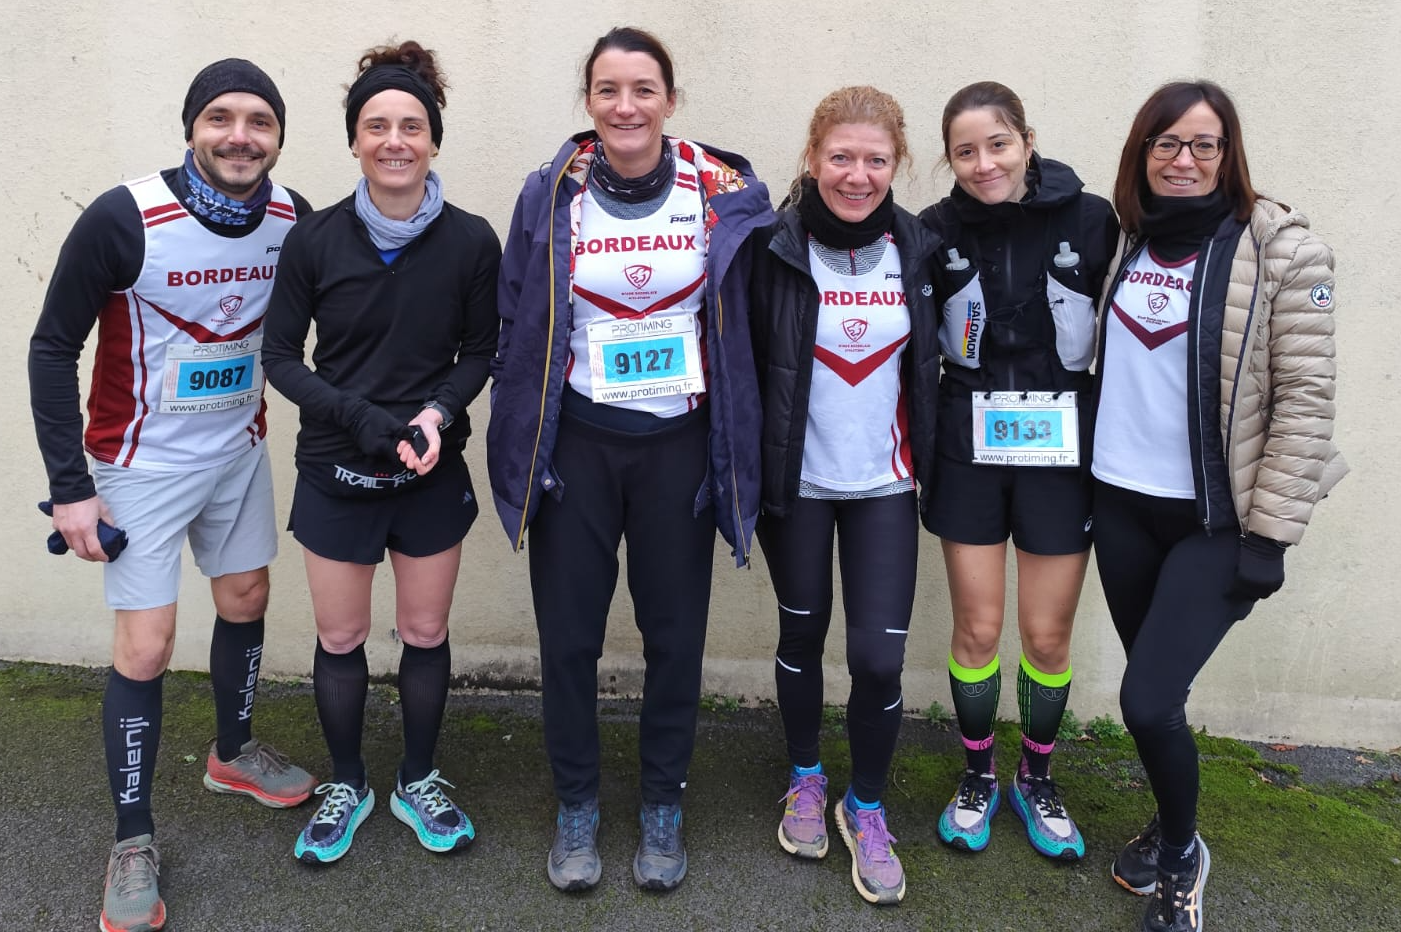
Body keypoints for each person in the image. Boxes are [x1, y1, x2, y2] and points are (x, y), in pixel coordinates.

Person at [27, 59, 316, 932]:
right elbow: (50, 349)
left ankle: (232, 753)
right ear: (192, 126)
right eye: (220, 117)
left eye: (258, 120)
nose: (239, 135)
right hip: (138, 465)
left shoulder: (290, 216)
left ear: (276, 134)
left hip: (237, 450)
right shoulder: (124, 217)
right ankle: (131, 836)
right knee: (146, 648)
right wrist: (71, 490)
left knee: (248, 595)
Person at [485, 26, 772, 893]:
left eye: (643, 89)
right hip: (577, 442)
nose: (626, 106)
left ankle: (660, 801)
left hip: (677, 448)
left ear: (671, 101)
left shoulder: (722, 192)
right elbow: (516, 317)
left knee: (674, 639)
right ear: (588, 102)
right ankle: (576, 803)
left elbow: (751, 317)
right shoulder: (549, 193)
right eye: (608, 90)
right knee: (568, 639)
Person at [1093, 80, 1344, 932]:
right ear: (1141, 155)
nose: (1184, 160)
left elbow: (1305, 399)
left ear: (1229, 153)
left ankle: (1180, 858)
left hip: (1216, 519)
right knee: (1152, 691)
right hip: (1122, 504)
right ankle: (1171, 821)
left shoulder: (1283, 252)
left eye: (1203, 144)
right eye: (1165, 144)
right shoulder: (1125, 241)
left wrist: (1270, 534)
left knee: (1145, 700)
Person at [261, 41, 501, 865]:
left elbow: (481, 351)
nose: (394, 139)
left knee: (424, 629)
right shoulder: (314, 239)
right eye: (376, 126)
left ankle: (418, 781)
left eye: (411, 125)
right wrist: (361, 420)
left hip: (430, 469)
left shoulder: (471, 241)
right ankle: (347, 784)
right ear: (355, 140)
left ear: (432, 139)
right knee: (340, 638)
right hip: (338, 466)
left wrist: (437, 414)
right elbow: (282, 358)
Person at [749, 85, 940, 905]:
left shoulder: (924, 248)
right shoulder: (769, 247)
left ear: (895, 164)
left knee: (875, 656)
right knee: (800, 635)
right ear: (810, 158)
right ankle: (803, 778)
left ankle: (865, 807)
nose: (856, 175)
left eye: (874, 159)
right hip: (796, 486)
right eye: (840, 157)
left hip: (885, 485)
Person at [918, 81, 1116, 860]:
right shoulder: (933, 229)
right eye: (963, 151)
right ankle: (976, 775)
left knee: (1046, 632)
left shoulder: (1092, 218)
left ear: (1025, 140)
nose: (982, 163)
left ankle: (1036, 778)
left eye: (996, 144)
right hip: (967, 448)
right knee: (977, 626)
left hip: (1059, 454)